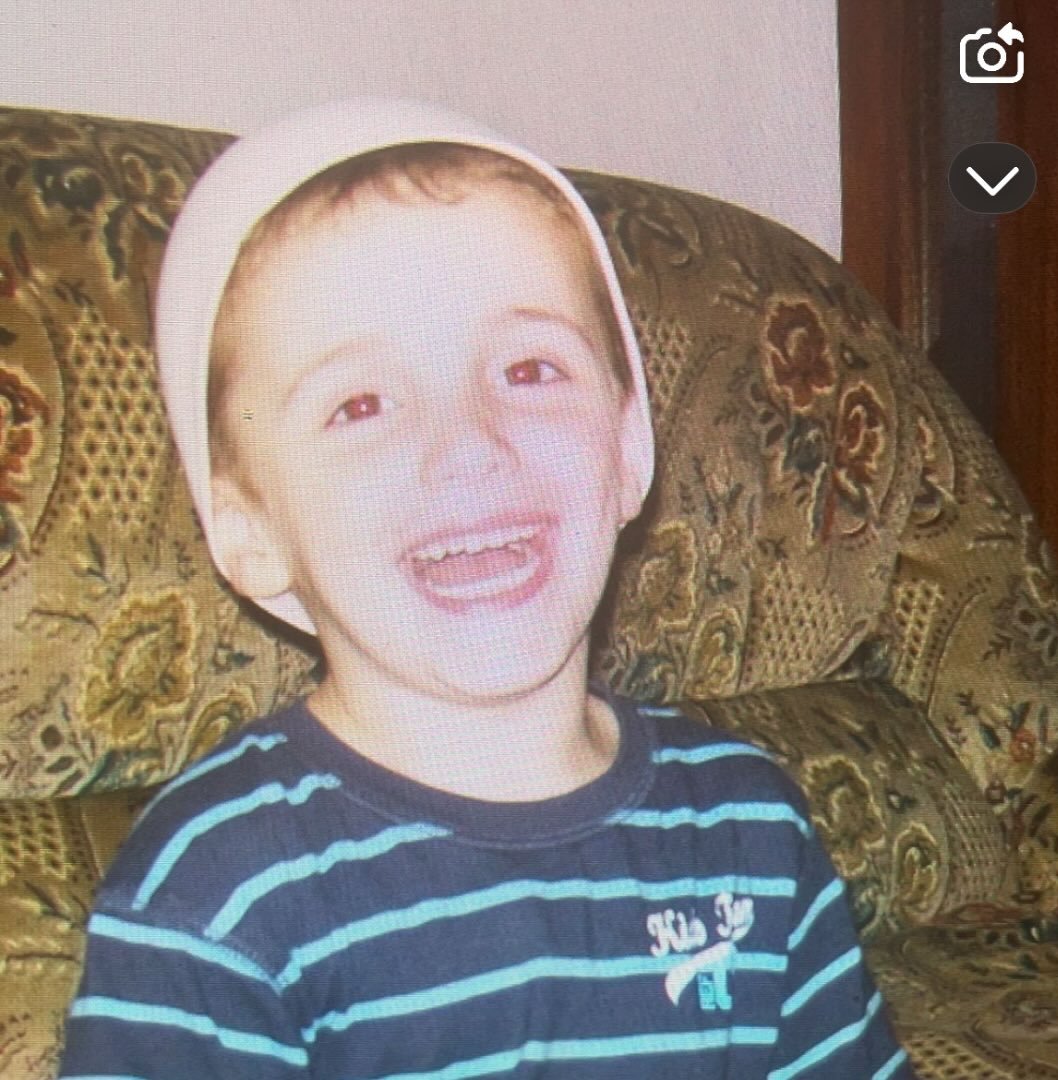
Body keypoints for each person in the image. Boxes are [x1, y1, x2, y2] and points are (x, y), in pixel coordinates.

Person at [59, 96, 913, 1079]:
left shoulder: (748, 825)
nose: (469, 444)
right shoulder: (214, 893)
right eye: (361, 403)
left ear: (629, 447)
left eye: (529, 369)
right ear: (249, 532)